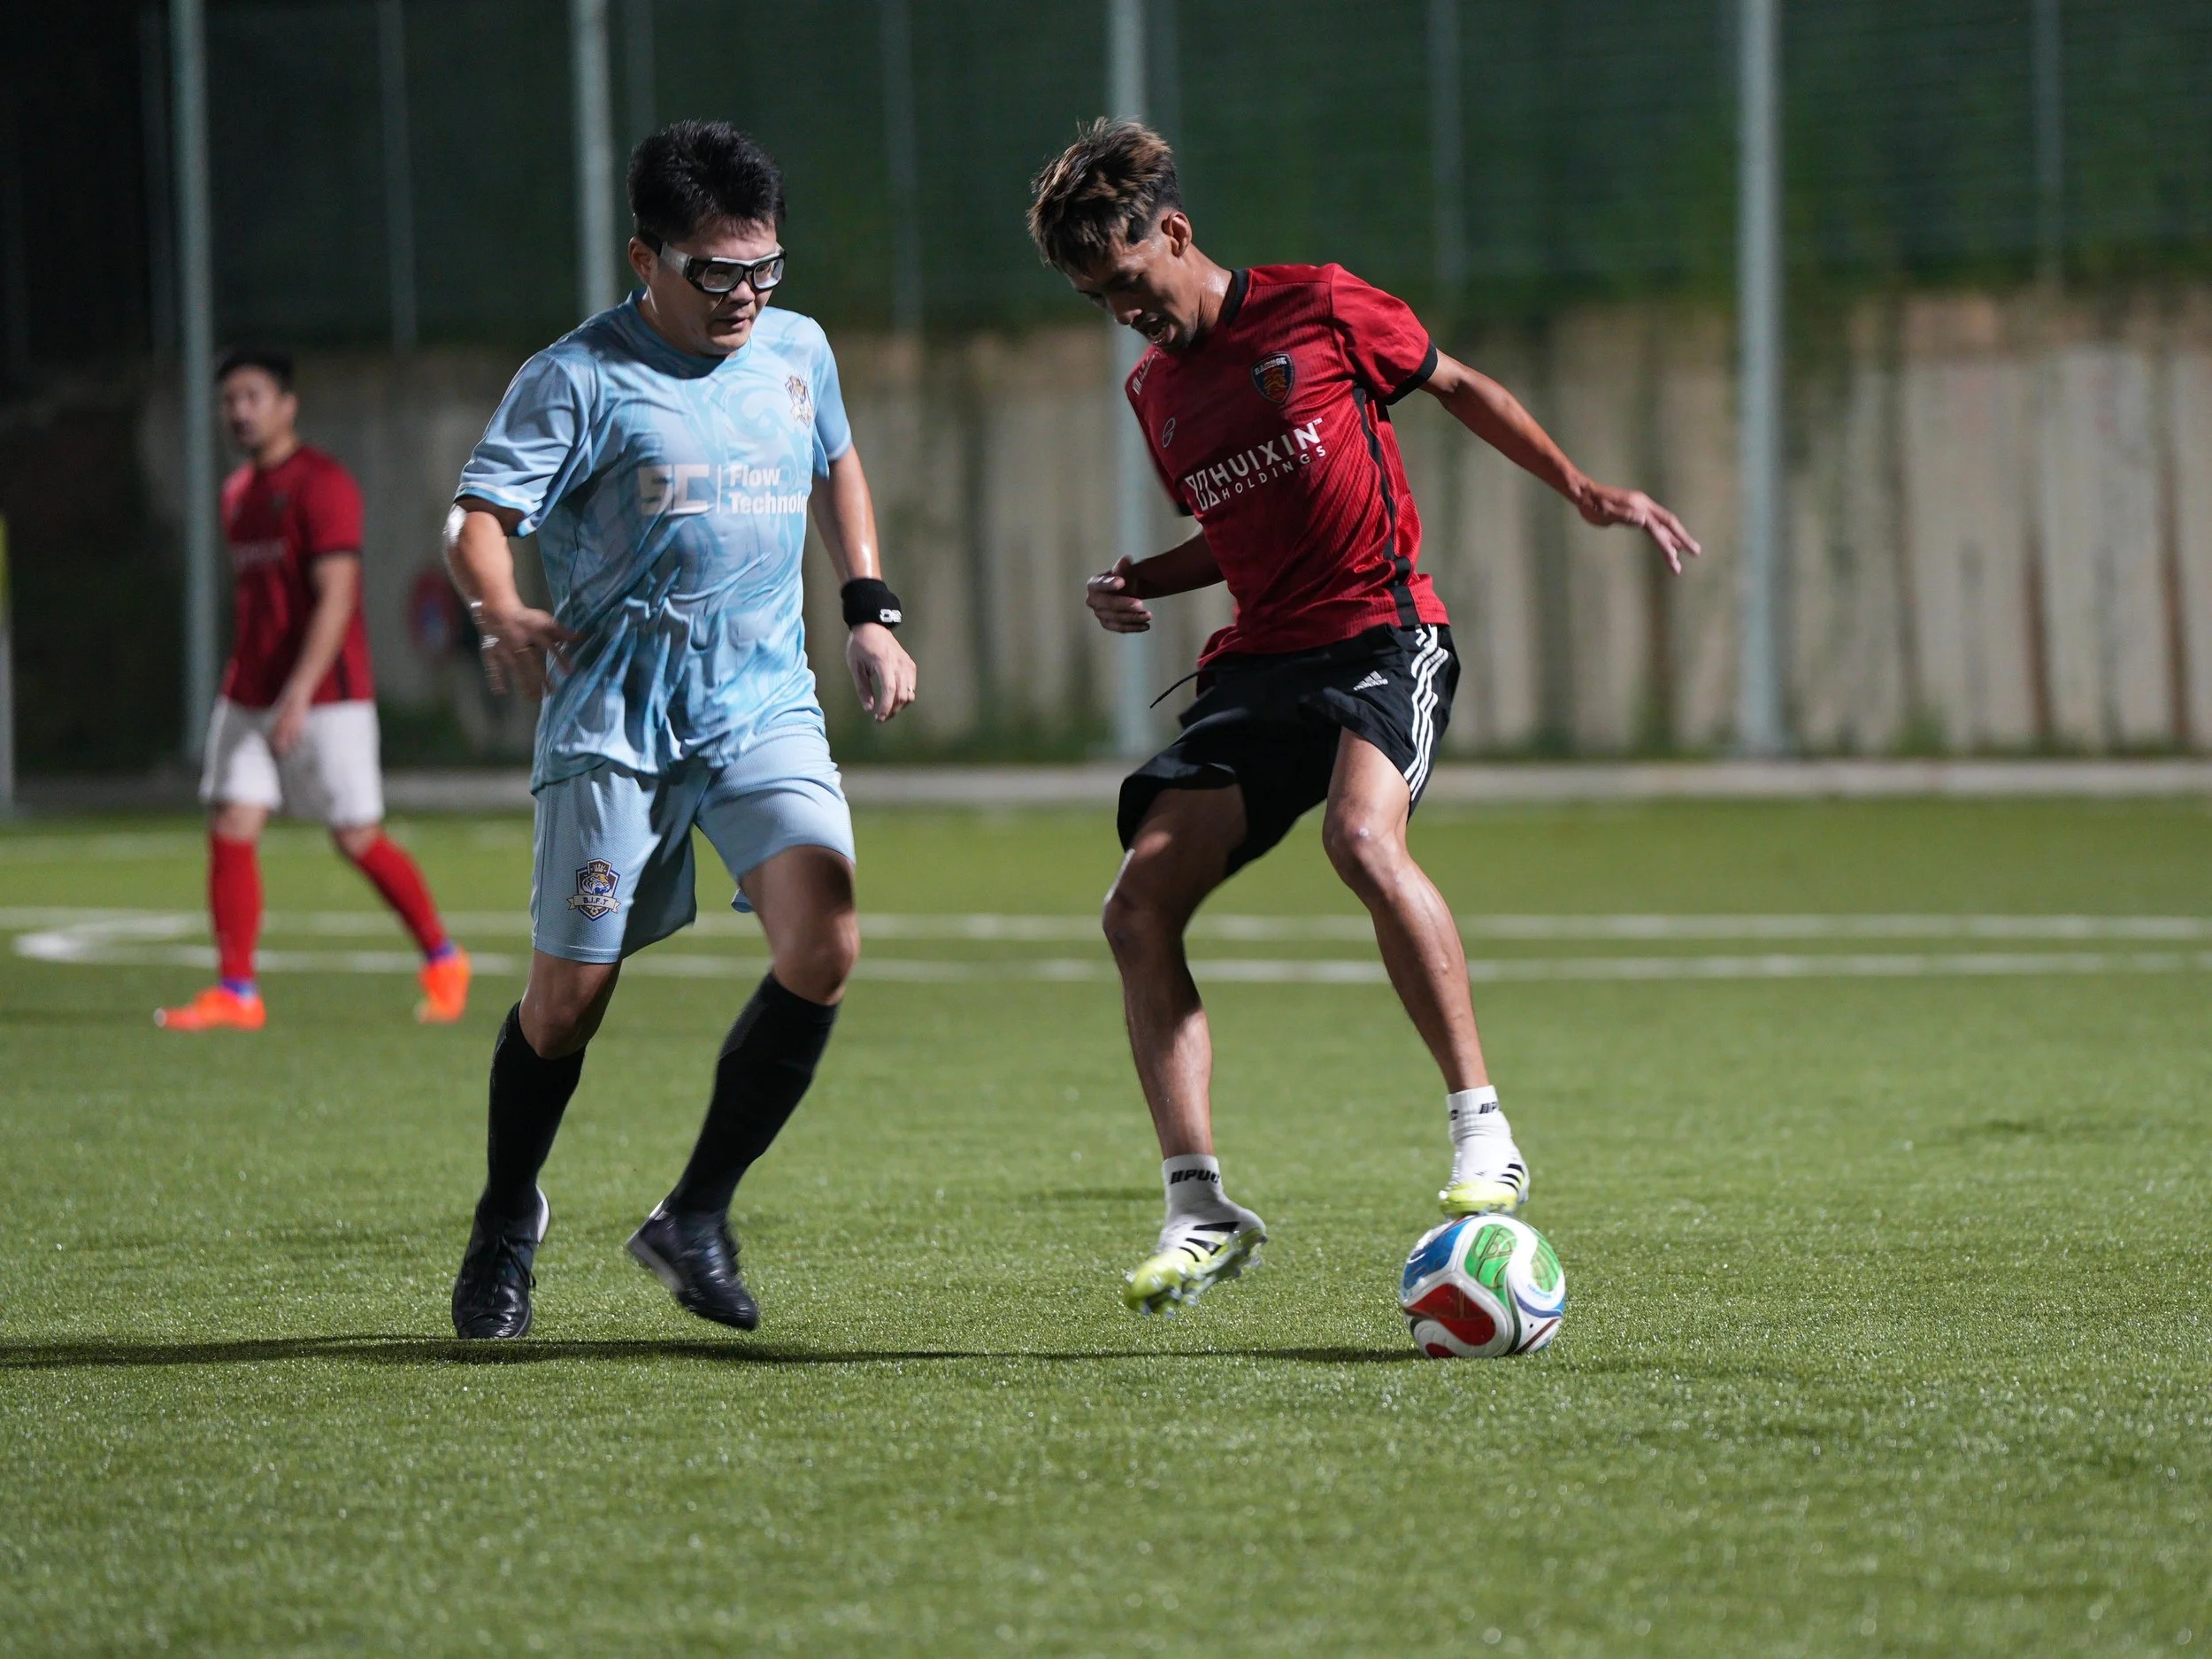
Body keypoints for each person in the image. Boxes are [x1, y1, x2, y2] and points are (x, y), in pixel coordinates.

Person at [1026, 120, 1701, 1315]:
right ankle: (1199, 1206)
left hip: (1384, 635)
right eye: (1097, 299)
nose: (1122, 312)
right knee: (1135, 907)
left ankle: (1484, 1131)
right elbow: (1236, 533)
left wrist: (1581, 488)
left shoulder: (1321, 305)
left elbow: (1461, 386)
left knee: (1360, 838)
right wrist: (1137, 581)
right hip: (1260, 666)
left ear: (1173, 233)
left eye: (1126, 281)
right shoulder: (1155, 391)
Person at [443, 120, 918, 1340]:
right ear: (644, 258)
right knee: (567, 1003)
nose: (745, 296)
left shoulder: (796, 349)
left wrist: (869, 609)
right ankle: (506, 1217)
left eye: (764, 269)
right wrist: (499, 607)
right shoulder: (578, 377)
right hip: (615, 720)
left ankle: (694, 1213)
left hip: (762, 706)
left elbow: (836, 463)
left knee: (826, 939)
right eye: (715, 273)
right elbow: (476, 518)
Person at [157, 347, 472, 1033]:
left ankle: (443, 958)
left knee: (356, 835)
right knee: (231, 822)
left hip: (328, 693)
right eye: (229, 400)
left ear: (286, 405)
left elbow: (337, 597)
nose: (239, 411)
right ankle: (237, 991)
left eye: (252, 397)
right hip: (248, 691)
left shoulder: (323, 485)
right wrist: (256, 686)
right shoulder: (236, 494)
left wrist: (299, 692)